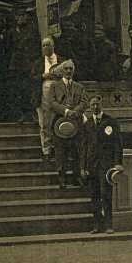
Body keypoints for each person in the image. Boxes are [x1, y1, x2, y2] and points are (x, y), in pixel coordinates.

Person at [80, 95, 124, 233]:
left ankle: (109, 225)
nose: (95, 107)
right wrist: (82, 167)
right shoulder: (87, 124)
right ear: (89, 107)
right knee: (94, 196)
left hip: (106, 165)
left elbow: (117, 143)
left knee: (106, 194)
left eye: (97, 104)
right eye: (92, 105)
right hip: (91, 165)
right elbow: (83, 147)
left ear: (101, 104)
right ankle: (97, 226)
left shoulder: (110, 122)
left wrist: (118, 163)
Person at [47, 59, 87, 188]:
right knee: (60, 151)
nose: (69, 71)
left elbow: (84, 102)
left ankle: (76, 176)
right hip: (59, 122)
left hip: (76, 122)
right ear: (62, 71)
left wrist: (75, 111)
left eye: (71, 69)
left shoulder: (79, 87)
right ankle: (62, 177)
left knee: (76, 150)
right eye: (66, 69)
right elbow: (51, 102)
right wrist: (65, 111)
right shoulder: (54, 86)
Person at [30, 36, 62, 159]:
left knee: (58, 121)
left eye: (48, 45)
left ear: (53, 46)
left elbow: (70, 74)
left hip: (59, 96)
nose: (45, 47)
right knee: (44, 124)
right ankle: (46, 151)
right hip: (43, 95)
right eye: (43, 45)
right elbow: (32, 78)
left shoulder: (61, 60)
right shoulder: (38, 63)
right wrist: (43, 76)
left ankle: (58, 149)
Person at [6, 10, 39, 122]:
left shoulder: (32, 31)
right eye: (18, 15)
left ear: (26, 17)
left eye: (23, 15)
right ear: (15, 18)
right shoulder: (11, 32)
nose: (20, 18)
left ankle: (31, 113)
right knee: (17, 89)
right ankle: (19, 114)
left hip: (28, 63)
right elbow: (7, 48)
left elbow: (36, 47)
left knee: (29, 89)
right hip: (15, 64)